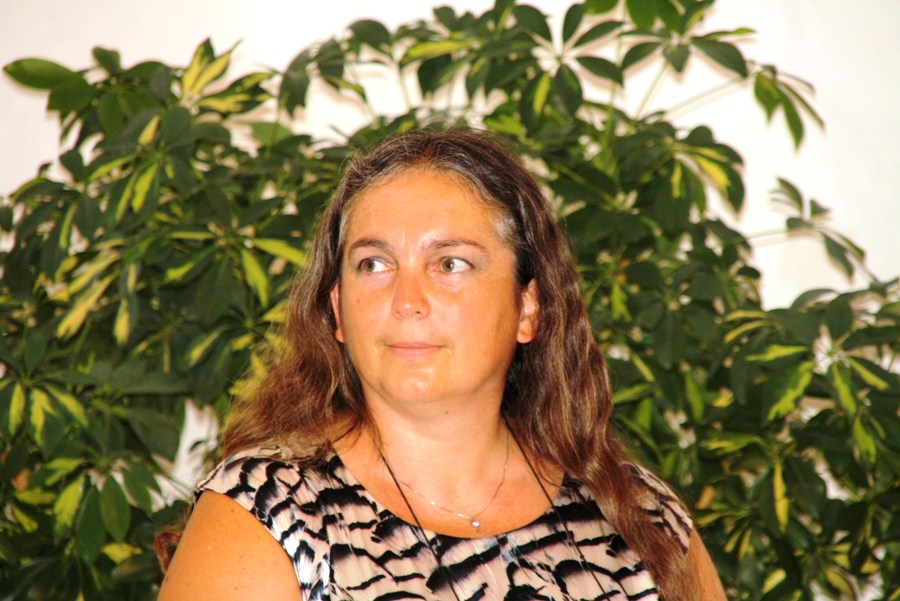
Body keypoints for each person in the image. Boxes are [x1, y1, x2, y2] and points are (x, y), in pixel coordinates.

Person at [157, 128, 726, 601]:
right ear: (337, 309)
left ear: (528, 307)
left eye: (450, 263)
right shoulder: (266, 510)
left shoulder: (643, 517)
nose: (407, 300)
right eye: (374, 264)